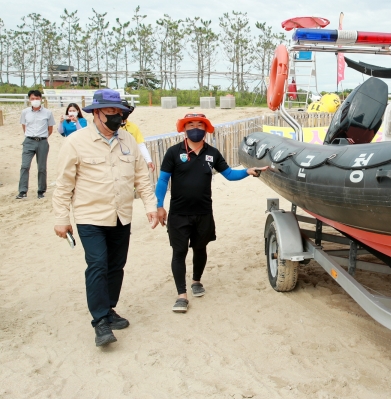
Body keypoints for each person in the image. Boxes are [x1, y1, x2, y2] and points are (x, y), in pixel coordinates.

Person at [52, 89, 159, 347]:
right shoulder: (75, 142)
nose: (116, 117)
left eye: (119, 113)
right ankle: (100, 320)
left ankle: (109, 308)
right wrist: (61, 217)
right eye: (111, 112)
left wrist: (150, 206)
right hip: (90, 216)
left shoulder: (128, 141)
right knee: (98, 264)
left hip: (121, 216)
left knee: (116, 265)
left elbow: (141, 178)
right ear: (97, 113)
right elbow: (64, 184)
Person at [155, 113, 267, 313]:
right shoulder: (173, 152)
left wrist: (247, 171)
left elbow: (229, 174)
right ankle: (181, 295)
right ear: (184, 128)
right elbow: (163, 180)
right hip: (179, 214)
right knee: (179, 252)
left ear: (206, 129)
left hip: (204, 213)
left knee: (200, 249)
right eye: (191, 125)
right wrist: (159, 205)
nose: (195, 128)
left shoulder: (212, 153)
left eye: (200, 125)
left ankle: (196, 281)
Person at [17, 89, 55, 199]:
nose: (35, 100)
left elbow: (50, 129)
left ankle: (41, 191)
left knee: (41, 167)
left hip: (42, 141)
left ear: (41, 99)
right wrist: (30, 136)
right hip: (29, 141)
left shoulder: (48, 113)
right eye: (32, 98)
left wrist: (43, 137)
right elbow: (24, 126)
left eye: (37, 98)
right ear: (29, 99)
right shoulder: (25, 112)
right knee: (25, 166)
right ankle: (22, 191)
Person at [119, 99, 155, 172]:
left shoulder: (134, 127)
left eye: (126, 109)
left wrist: (148, 161)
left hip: (131, 162)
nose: (124, 112)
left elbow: (140, 145)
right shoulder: (112, 128)